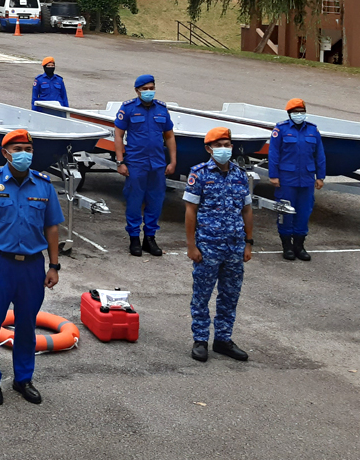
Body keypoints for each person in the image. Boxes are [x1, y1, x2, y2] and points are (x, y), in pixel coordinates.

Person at [0, 129, 63, 406]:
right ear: (6, 153)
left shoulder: (44, 186)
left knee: (26, 325)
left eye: (29, 149)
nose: (25, 154)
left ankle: (23, 378)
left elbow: (52, 228)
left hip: (32, 266)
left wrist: (54, 266)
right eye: (18, 149)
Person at [183, 127, 253, 363]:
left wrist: (248, 243)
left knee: (230, 296)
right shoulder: (199, 173)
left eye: (228, 144)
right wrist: (192, 246)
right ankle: (200, 340)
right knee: (202, 296)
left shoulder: (240, 175)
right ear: (209, 148)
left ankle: (223, 339)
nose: (225, 149)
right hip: (208, 247)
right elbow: (190, 211)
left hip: (234, 247)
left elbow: (247, 210)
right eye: (220, 145)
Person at [113, 74, 176, 257]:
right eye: (145, 89)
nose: (149, 91)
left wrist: (173, 161)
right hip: (136, 163)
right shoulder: (128, 108)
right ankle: (134, 238)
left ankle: (150, 238)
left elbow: (169, 136)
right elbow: (118, 135)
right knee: (134, 201)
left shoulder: (162, 109)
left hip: (157, 163)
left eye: (151, 88)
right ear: (137, 90)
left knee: (156, 200)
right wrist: (120, 161)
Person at [269, 99, 325, 261]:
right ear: (289, 113)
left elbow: (319, 155)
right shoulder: (281, 129)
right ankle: (287, 246)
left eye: (302, 111)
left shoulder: (313, 130)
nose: (299, 114)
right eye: (296, 111)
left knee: (304, 211)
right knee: (286, 211)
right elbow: (274, 153)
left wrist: (320, 176)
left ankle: (299, 246)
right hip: (286, 178)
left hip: (307, 179)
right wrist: (273, 175)